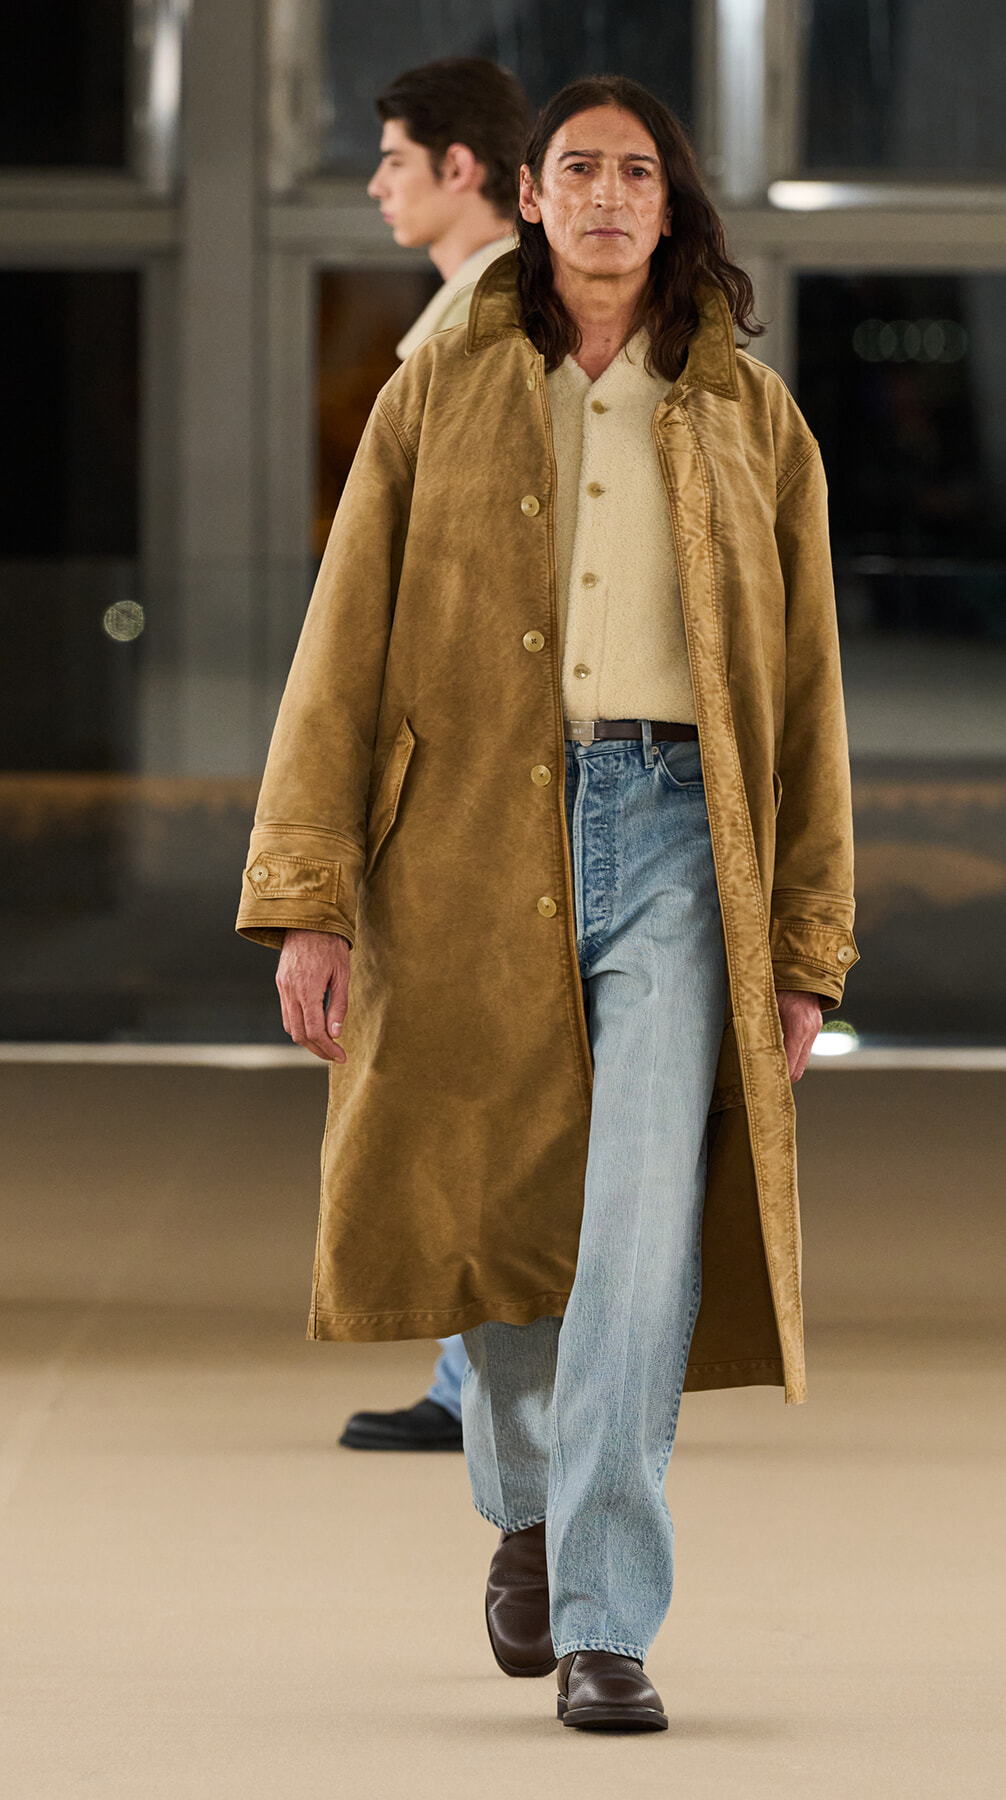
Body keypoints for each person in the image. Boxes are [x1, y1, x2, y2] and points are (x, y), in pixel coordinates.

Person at [237, 75, 857, 1732]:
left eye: (632, 171)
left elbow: (806, 699)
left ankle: (604, 1614)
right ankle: (521, 1496)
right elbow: (342, 634)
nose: (602, 195)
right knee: (506, 1213)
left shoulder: (751, 417)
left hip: (673, 837)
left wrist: (803, 945)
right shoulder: (437, 379)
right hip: (461, 844)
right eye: (574, 168)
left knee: (638, 1236)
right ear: (528, 195)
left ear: (671, 204)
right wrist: (314, 896)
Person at [340, 57, 532, 1455]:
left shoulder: (499, 319)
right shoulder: (473, 316)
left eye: (397, 158)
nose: (377, 183)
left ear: (463, 167)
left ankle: (495, 1383)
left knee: (481, 1066)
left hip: (491, 749)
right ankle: (479, 1378)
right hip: (483, 738)